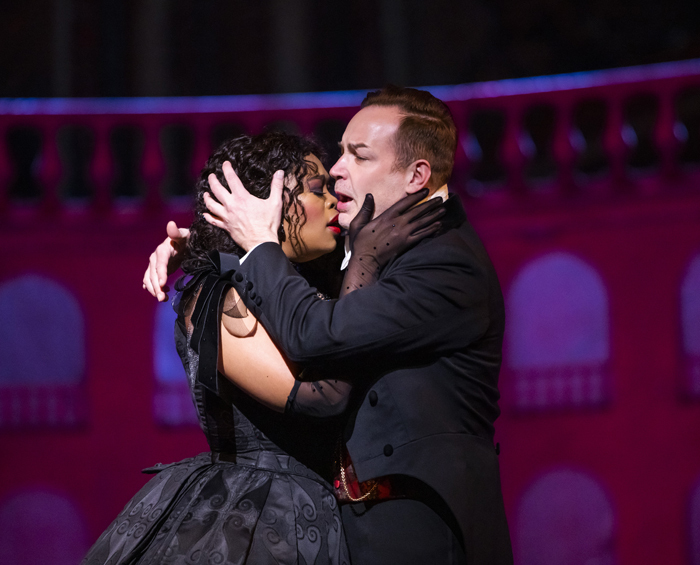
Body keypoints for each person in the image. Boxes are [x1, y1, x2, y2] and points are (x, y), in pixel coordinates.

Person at [145, 86, 513, 564]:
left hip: (421, 528)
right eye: (339, 154)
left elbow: (321, 335)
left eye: (357, 156)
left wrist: (249, 246)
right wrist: (205, 247)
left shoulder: (442, 263)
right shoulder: (366, 248)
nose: (338, 171)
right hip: (289, 521)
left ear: (415, 175)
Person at [85, 131, 443, 565]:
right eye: (317, 190)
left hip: (326, 513)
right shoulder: (219, 295)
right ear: (263, 202)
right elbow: (324, 396)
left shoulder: (307, 289)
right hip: (255, 516)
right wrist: (364, 260)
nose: (333, 200)